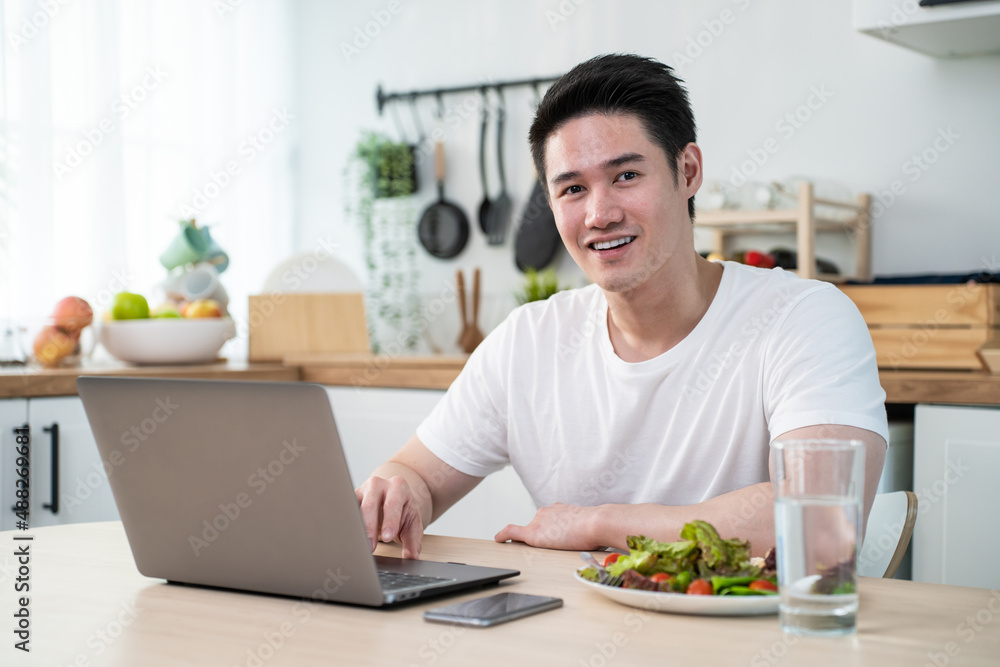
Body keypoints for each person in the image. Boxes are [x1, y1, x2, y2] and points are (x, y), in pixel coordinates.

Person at [355, 54, 887, 559]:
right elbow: (417, 474)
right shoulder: (529, 340)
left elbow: (822, 521)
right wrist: (399, 490)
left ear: (689, 170)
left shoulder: (804, 318)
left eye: (626, 176)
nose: (599, 214)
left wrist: (599, 523)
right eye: (572, 189)